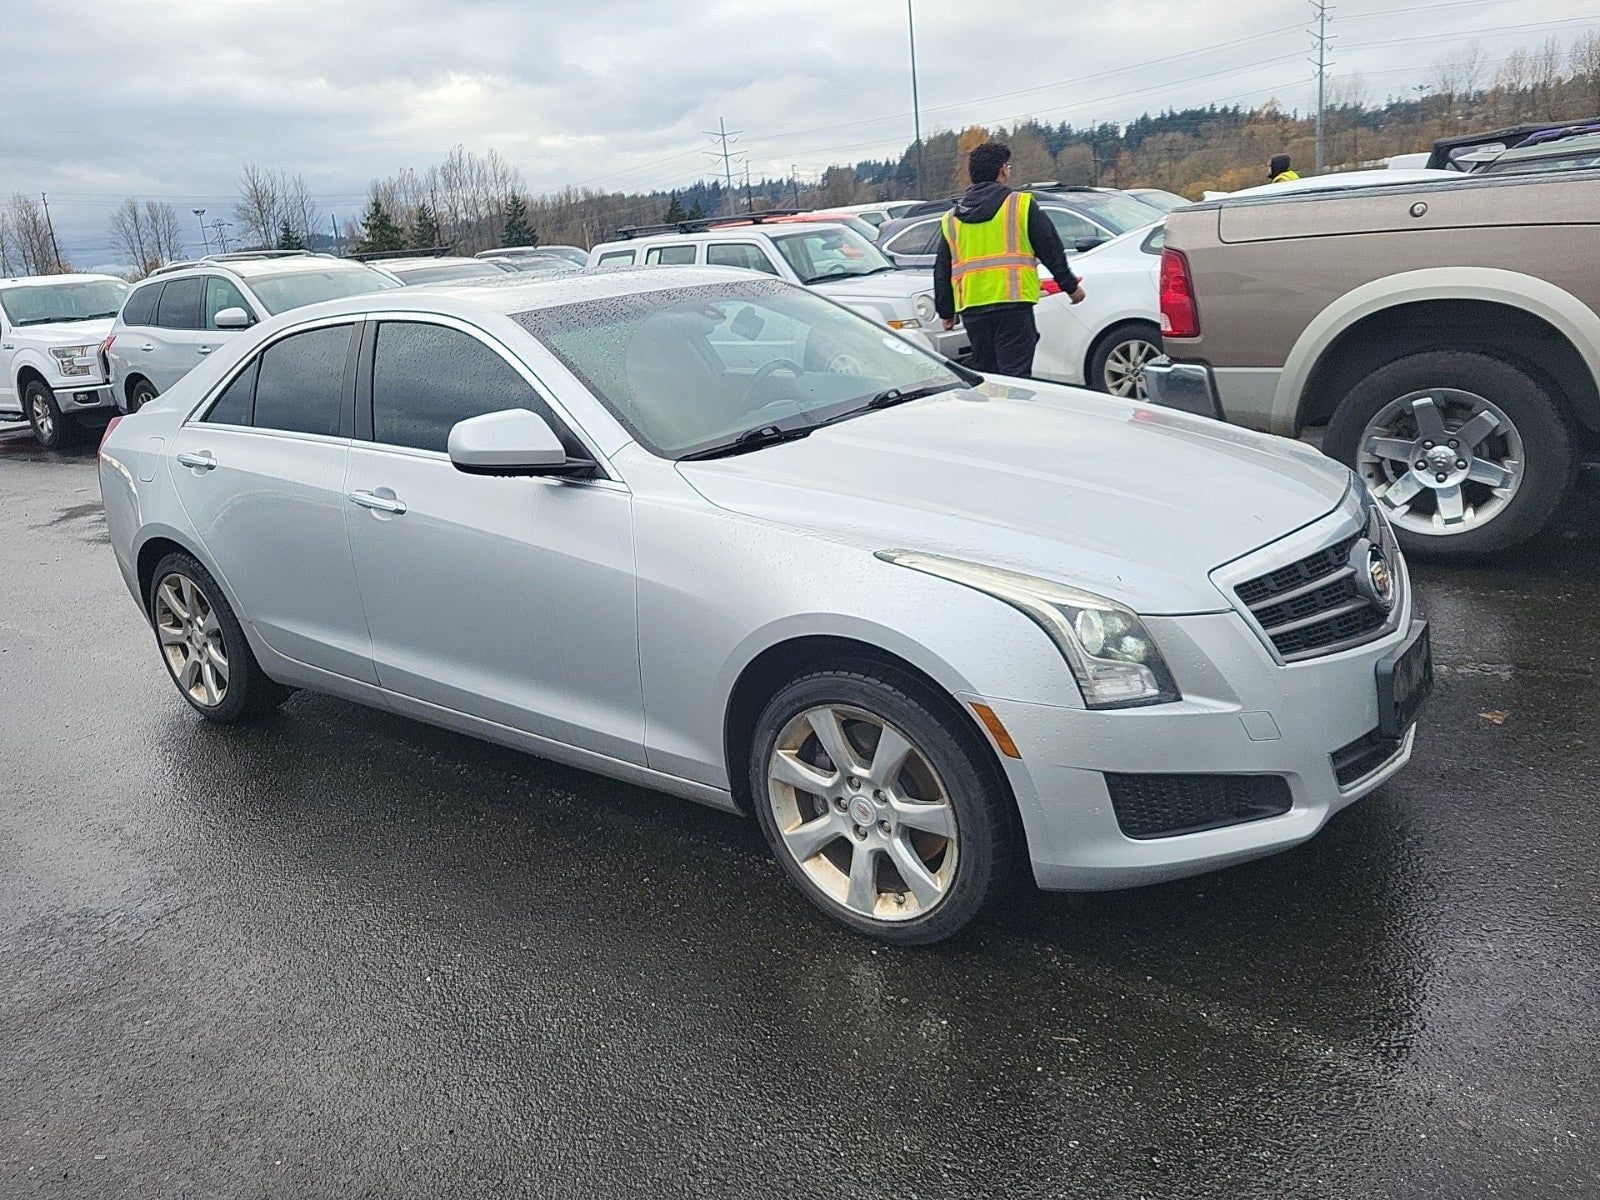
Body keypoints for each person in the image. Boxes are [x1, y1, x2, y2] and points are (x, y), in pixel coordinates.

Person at [934, 140, 1085, 378]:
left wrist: (946, 311)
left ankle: (991, 413)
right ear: (1002, 170)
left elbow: (942, 269)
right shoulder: (1019, 205)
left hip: (973, 310)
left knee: (987, 375)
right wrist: (1071, 287)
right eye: (1008, 166)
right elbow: (1050, 249)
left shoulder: (951, 218)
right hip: (1013, 305)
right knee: (1016, 377)